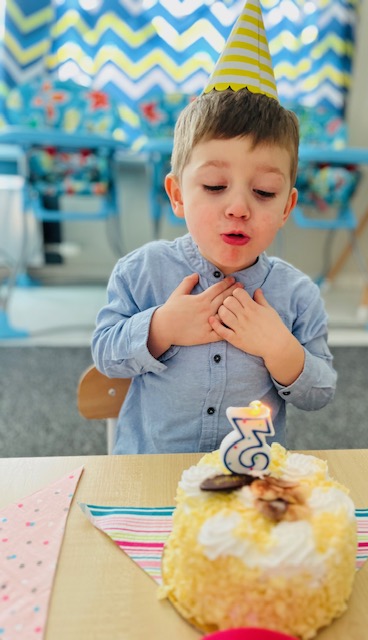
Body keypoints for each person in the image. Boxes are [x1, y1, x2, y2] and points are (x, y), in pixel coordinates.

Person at [91, 0, 337, 454]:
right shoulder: (141, 272)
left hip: (247, 478)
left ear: (287, 206)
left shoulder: (297, 295)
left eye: (264, 191)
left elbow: (320, 394)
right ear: (178, 194)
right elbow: (105, 355)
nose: (239, 207)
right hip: (151, 472)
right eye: (215, 186)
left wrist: (280, 349)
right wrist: (160, 328)